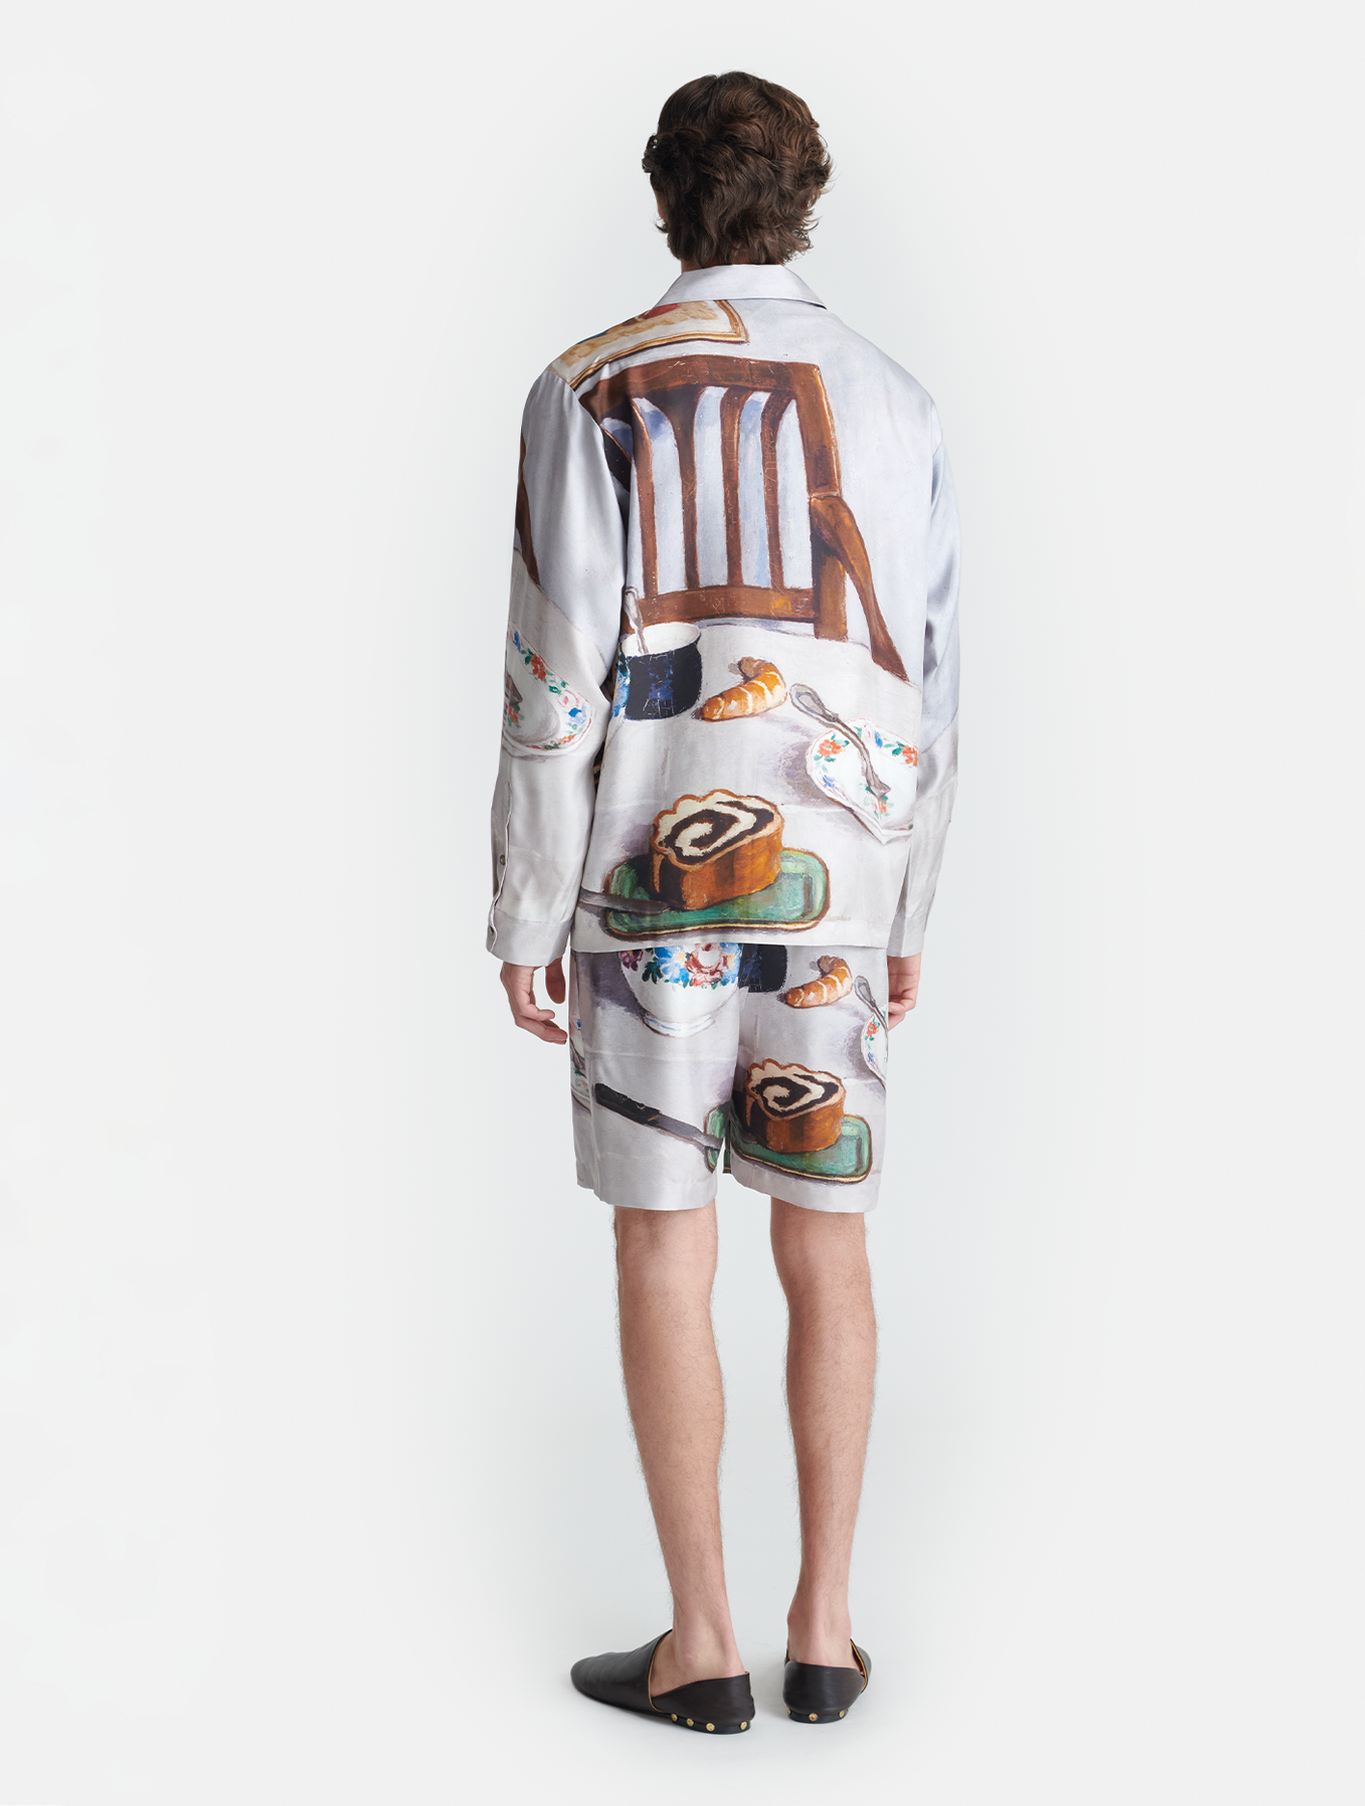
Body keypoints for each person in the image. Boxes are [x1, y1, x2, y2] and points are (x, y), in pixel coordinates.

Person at [490, 70, 960, 1735]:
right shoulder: (896, 400)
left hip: (646, 887)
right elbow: (932, 682)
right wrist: (906, 907)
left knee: (663, 1236)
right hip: (843, 871)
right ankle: (824, 1629)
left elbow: (558, 668)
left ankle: (703, 1640)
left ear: (663, 200)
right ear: (806, 196)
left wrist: (527, 905)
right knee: (828, 1235)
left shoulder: (592, 384)